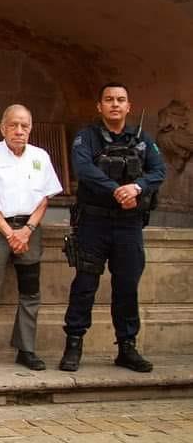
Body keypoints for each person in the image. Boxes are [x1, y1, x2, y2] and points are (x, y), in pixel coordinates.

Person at [60, 83, 166, 372]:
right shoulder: (87, 137)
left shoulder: (143, 139)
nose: (115, 104)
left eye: (120, 100)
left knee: (127, 285)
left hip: (129, 226)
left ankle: (127, 348)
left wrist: (137, 187)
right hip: (94, 223)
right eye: (109, 100)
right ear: (99, 106)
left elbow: (159, 171)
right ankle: (73, 344)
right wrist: (117, 191)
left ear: (129, 106)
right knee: (85, 284)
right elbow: (84, 171)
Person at [0, 105, 63, 371]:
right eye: (13, 125)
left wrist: (27, 230)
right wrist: (10, 234)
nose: (19, 131)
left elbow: (45, 198)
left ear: (31, 128)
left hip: (29, 230)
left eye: (24, 126)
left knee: (30, 291)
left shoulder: (40, 156)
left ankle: (27, 348)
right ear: (2, 128)